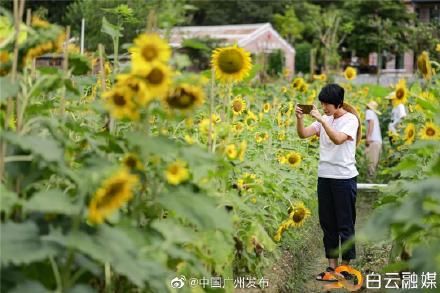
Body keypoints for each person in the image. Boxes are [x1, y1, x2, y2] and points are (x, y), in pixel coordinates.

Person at [295, 83, 361, 282]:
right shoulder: (325, 118)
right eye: (322, 105)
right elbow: (303, 134)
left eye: (327, 105)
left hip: (344, 178)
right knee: (328, 224)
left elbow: (338, 139)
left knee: (345, 224)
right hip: (325, 176)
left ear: (338, 103)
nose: (324, 108)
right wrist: (299, 120)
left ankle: (345, 267)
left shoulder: (350, 120)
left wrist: (322, 122)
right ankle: (331, 267)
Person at [365, 101, 382, 180]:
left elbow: (371, 123)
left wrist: (368, 137)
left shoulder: (369, 112)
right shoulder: (374, 114)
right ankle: (372, 183)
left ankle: (370, 186)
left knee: (370, 164)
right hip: (377, 142)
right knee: (374, 164)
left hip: (373, 141)